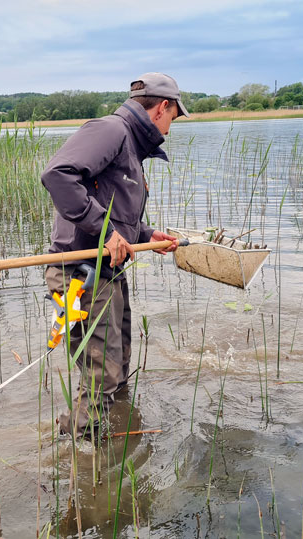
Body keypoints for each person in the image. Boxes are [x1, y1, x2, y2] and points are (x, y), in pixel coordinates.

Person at [41, 72, 188, 438]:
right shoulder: (111, 131)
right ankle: (83, 456)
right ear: (162, 108)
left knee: (117, 369)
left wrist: (145, 234)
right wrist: (107, 233)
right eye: (173, 117)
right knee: (100, 374)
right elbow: (58, 175)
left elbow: (112, 214)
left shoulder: (131, 150)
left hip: (106, 273)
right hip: (81, 273)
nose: (171, 127)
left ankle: (112, 440)